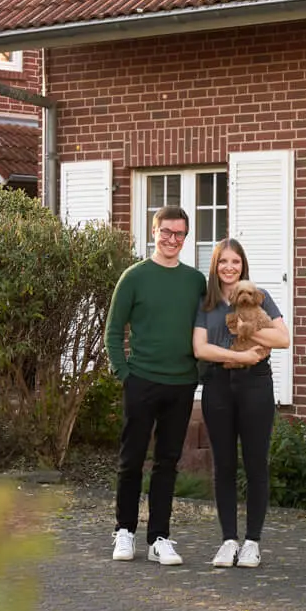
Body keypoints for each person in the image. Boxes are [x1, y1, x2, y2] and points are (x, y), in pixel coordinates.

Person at [105, 206, 208, 566]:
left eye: (179, 234)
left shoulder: (195, 281)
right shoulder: (134, 277)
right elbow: (113, 332)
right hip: (141, 381)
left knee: (168, 462)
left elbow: (208, 328)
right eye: (166, 232)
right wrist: (124, 374)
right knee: (131, 459)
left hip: (181, 384)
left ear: (186, 238)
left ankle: (159, 538)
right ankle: (124, 532)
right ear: (153, 232)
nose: (172, 240)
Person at [191, 238, 290, 568]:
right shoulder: (207, 303)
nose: (229, 267)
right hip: (218, 384)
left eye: (235, 261)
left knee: (256, 463)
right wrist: (237, 354)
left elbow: (283, 339)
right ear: (215, 266)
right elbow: (200, 349)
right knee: (224, 465)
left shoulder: (260, 296)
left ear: (242, 265)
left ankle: (252, 542)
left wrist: (249, 331)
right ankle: (228, 540)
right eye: (223, 261)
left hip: (256, 384)